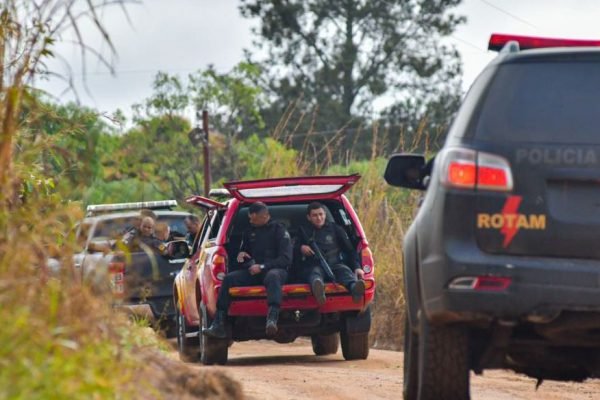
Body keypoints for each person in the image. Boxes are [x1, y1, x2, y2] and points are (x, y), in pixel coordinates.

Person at [203, 202, 292, 338]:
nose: (250, 221)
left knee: (273, 276)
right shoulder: (249, 232)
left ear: (263, 216)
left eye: (252, 218)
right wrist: (244, 258)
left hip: (275, 270)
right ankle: (219, 324)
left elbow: (286, 259)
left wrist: (262, 267)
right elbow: (243, 254)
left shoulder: (279, 230)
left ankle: (272, 319)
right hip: (254, 271)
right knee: (229, 279)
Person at [295, 202, 365, 306]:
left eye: (321, 214)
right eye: (315, 215)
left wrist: (357, 267)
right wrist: (301, 248)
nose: (319, 218)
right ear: (309, 217)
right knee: (315, 274)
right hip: (314, 264)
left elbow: (350, 250)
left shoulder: (336, 229)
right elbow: (291, 250)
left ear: (325, 214)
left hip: (335, 264)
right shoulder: (303, 231)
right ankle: (319, 292)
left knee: (345, 271)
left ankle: (354, 289)